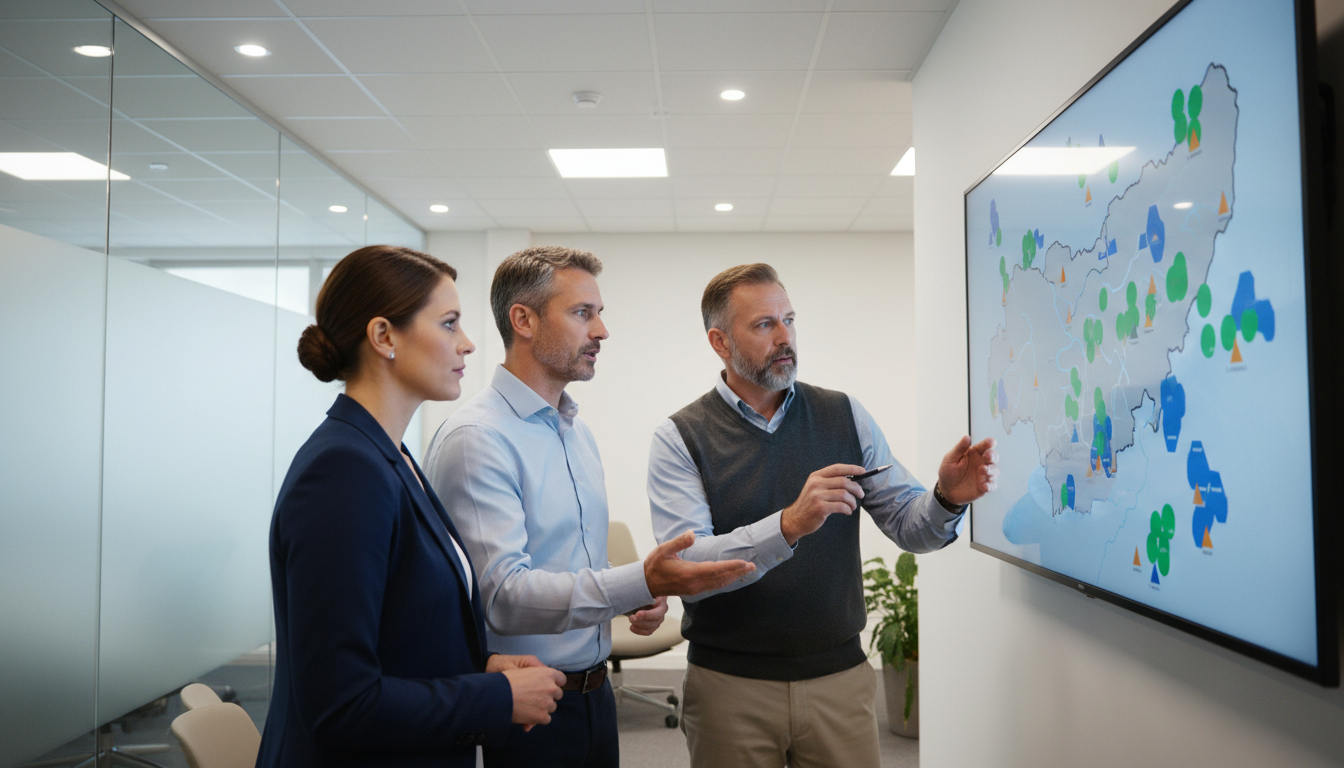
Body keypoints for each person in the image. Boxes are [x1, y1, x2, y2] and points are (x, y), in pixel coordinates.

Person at [648, 263, 999, 768]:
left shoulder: (844, 414)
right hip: (730, 688)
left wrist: (947, 496)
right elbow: (691, 569)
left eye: (789, 319)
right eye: (765, 325)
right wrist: (788, 524)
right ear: (720, 342)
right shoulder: (680, 437)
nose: (785, 336)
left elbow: (908, 524)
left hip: (840, 680)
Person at [425, 246, 756, 768]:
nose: (601, 331)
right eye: (583, 313)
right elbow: (505, 595)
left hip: (593, 697)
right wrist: (641, 580)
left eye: (598, 314)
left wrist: (626, 596)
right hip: (525, 710)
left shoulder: (576, 433)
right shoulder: (477, 439)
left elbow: (567, 567)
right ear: (524, 320)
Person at [257, 245, 566, 768]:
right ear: (384, 337)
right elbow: (340, 704)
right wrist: (498, 699)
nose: (467, 344)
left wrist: (483, 667)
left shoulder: (390, 454)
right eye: (449, 324)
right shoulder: (343, 471)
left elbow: (399, 635)